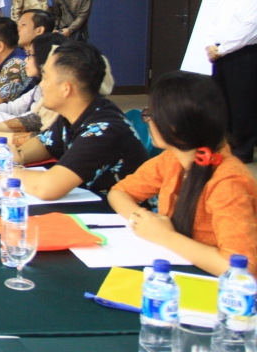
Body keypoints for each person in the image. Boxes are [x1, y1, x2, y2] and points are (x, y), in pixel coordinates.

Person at [109, 71, 257, 275]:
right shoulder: (173, 158)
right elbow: (119, 192)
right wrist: (142, 220)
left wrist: (165, 236)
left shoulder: (228, 182)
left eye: (150, 114)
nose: (147, 121)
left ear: (175, 124)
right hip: (179, 267)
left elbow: (241, 269)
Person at [11, 42, 149, 200]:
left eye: (46, 77)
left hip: (126, 212)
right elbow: (44, 143)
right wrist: (17, 156)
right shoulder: (74, 114)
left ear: (66, 88)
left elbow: (47, 188)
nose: (41, 84)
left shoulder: (104, 130)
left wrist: (8, 171)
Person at [0, 33, 65, 147]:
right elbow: (19, 113)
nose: (26, 60)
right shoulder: (39, 89)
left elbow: (39, 135)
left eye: (30, 55)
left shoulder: (16, 64)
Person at [207, 0, 257, 163]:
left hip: (242, 56)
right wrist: (210, 44)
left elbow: (247, 31)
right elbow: (214, 23)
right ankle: (225, 146)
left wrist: (222, 49)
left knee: (241, 106)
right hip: (221, 55)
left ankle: (242, 151)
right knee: (221, 103)